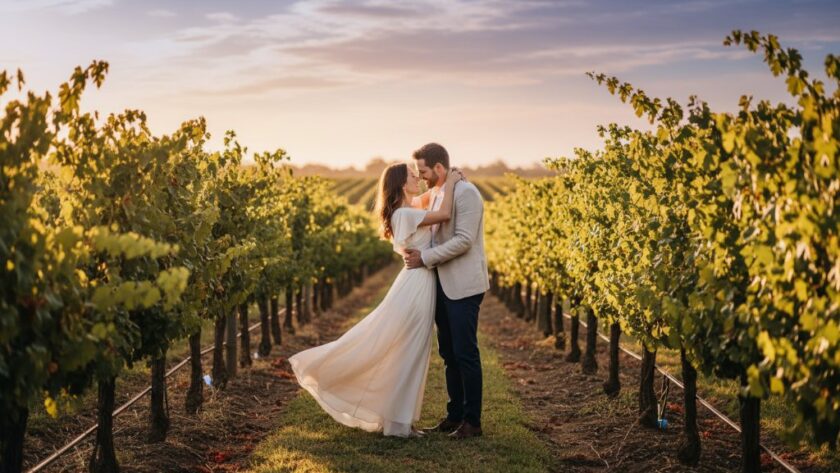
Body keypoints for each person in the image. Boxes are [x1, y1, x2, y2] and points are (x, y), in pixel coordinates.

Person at [289, 161, 463, 438]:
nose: (417, 177)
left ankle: (399, 421)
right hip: (416, 286)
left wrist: (443, 179)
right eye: (411, 175)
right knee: (408, 353)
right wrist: (452, 183)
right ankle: (398, 424)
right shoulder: (405, 214)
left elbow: (430, 197)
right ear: (399, 183)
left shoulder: (408, 208)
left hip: (419, 283)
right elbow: (442, 213)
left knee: (410, 353)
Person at [404, 142, 489, 440]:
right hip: (442, 284)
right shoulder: (442, 190)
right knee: (449, 353)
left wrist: (424, 258)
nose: (422, 176)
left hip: (464, 285)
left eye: (423, 171)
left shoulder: (466, 193)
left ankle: (472, 422)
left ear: (439, 167)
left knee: (466, 353)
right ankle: (454, 416)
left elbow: (464, 240)